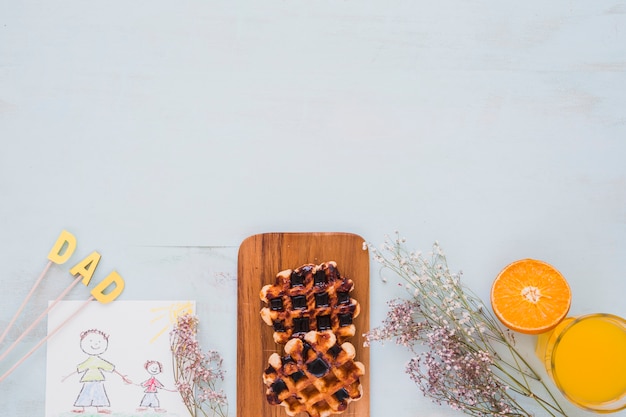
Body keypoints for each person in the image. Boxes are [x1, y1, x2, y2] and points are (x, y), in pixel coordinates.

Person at [62, 329, 131, 414]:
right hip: (88, 380)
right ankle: (83, 408)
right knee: (86, 393)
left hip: (97, 380)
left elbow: (110, 368)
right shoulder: (90, 361)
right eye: (90, 341)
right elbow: (80, 368)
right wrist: (67, 376)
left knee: (99, 394)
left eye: (99, 341)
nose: (95, 344)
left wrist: (122, 376)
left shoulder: (99, 361)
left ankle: (99, 408)